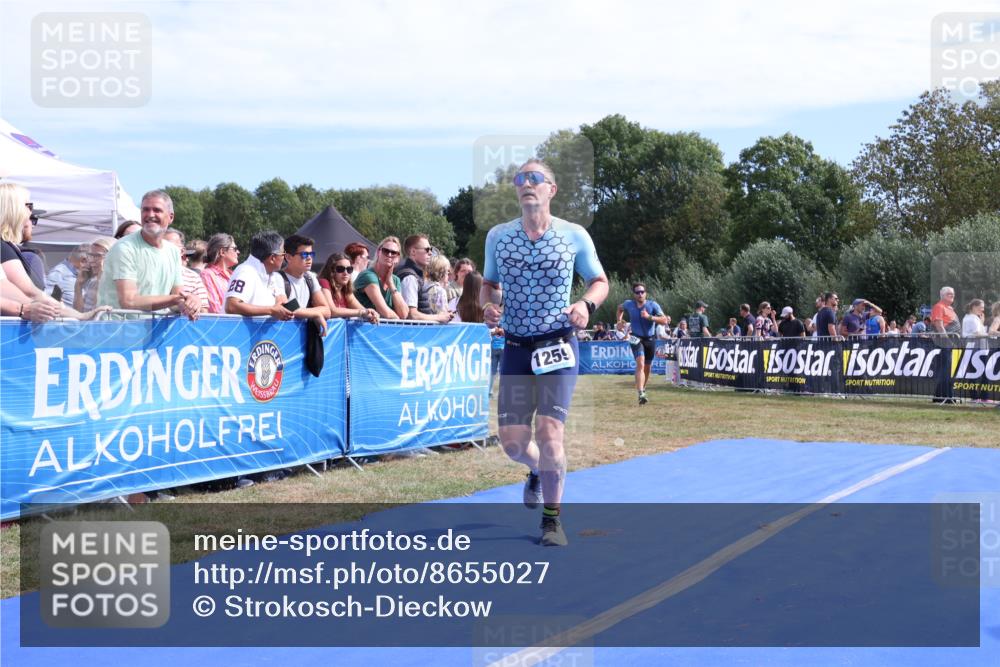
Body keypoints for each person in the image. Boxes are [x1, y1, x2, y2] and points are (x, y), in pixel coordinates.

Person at [481, 159, 608, 547]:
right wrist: (489, 305)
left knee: (550, 432)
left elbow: (599, 281)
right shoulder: (499, 237)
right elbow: (489, 284)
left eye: (536, 178)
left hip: (557, 344)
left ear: (552, 189)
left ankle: (552, 521)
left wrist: (586, 304)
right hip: (517, 347)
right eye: (520, 179)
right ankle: (536, 471)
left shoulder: (573, 235)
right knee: (514, 443)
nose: (526, 184)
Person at [1, 183, 104, 320]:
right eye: (28, 206)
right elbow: (28, 292)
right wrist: (79, 315)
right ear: (13, 209)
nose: (30, 212)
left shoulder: (6, 246)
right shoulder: (3, 247)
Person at [96, 190, 200, 319]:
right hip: (117, 332)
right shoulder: (125, 248)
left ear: (171, 217)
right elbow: (129, 301)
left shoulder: (173, 251)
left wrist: (191, 302)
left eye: (157, 210)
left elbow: (177, 297)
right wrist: (176, 299)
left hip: (152, 332)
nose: (150, 215)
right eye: (145, 210)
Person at [617, 282, 668, 405]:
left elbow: (664, 320)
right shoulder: (629, 304)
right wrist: (619, 321)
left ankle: (643, 389)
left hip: (650, 339)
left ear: (646, 293)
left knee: (647, 367)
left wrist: (650, 317)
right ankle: (640, 393)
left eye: (642, 292)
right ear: (634, 294)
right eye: (637, 292)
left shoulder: (653, 305)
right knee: (640, 363)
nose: (640, 294)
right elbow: (619, 308)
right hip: (635, 337)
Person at [395, 234, 450, 323]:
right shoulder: (410, 277)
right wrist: (439, 317)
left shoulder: (414, 274)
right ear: (413, 252)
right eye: (427, 249)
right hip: (411, 334)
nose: (430, 253)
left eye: (431, 249)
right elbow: (412, 314)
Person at [354, 236, 408, 320]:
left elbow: (404, 314)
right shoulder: (368, 275)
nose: (389, 255)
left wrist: (391, 284)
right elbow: (385, 312)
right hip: (362, 329)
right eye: (386, 251)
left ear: (398, 258)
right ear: (379, 252)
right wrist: (400, 323)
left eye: (393, 253)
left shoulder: (395, 280)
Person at [278, 234, 329, 322]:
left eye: (311, 254)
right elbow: (286, 308)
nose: (309, 258)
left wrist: (314, 314)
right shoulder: (278, 278)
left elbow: (327, 311)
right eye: (304, 254)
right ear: (288, 257)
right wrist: (317, 313)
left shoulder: (310, 277)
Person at [317, 252, 378, 322]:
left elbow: (363, 310)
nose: (346, 273)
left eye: (349, 269)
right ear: (331, 271)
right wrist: (361, 313)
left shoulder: (345, 289)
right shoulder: (324, 282)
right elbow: (332, 311)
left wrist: (371, 314)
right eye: (340, 269)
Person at [163, 229, 209, 313]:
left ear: (182, 251)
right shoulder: (147, 273)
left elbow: (203, 311)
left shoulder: (194, 277)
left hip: (182, 325)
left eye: (169, 246)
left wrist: (194, 304)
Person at [73, 237, 115, 311]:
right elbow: (78, 311)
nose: (92, 260)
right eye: (90, 255)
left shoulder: (117, 282)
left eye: (98, 256)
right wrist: (78, 285)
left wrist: (100, 281)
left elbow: (98, 308)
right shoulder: (92, 281)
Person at [201, 234, 239, 314]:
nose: (238, 252)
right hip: (222, 324)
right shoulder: (207, 275)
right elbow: (215, 309)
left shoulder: (234, 275)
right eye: (235, 249)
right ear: (222, 252)